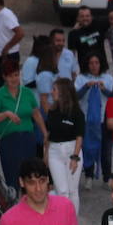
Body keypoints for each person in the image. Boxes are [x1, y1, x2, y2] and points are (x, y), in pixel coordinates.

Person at [0, 60, 47, 191]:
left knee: (30, 177)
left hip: (27, 140)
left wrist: (45, 133)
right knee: (12, 179)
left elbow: (36, 114)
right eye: (10, 76)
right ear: (4, 77)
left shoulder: (27, 93)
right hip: (9, 141)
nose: (14, 79)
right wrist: (6, 114)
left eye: (16, 75)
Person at [43, 77, 85, 210]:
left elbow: (79, 136)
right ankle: (63, 224)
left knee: (72, 191)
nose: (51, 92)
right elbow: (49, 135)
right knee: (62, 191)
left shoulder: (77, 113)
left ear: (63, 92)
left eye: (54, 89)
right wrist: (46, 153)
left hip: (72, 150)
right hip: (54, 151)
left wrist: (75, 157)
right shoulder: (52, 111)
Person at [75, 53, 113, 185]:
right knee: (89, 148)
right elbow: (76, 97)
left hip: (105, 119)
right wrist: (86, 87)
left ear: (101, 63)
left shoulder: (108, 78)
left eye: (96, 62)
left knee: (106, 150)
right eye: (91, 63)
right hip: (87, 120)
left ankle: (107, 177)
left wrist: (104, 90)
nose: (94, 65)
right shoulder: (81, 78)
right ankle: (89, 176)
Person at [21, 34, 58, 114]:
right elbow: (27, 84)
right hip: (36, 103)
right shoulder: (31, 61)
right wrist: (44, 80)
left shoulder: (45, 61)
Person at [68, 7, 107, 74]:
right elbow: (71, 54)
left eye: (87, 16)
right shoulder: (73, 33)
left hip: (101, 68)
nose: (85, 18)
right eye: (82, 16)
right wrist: (72, 70)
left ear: (91, 17)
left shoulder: (99, 25)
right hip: (85, 70)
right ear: (78, 18)